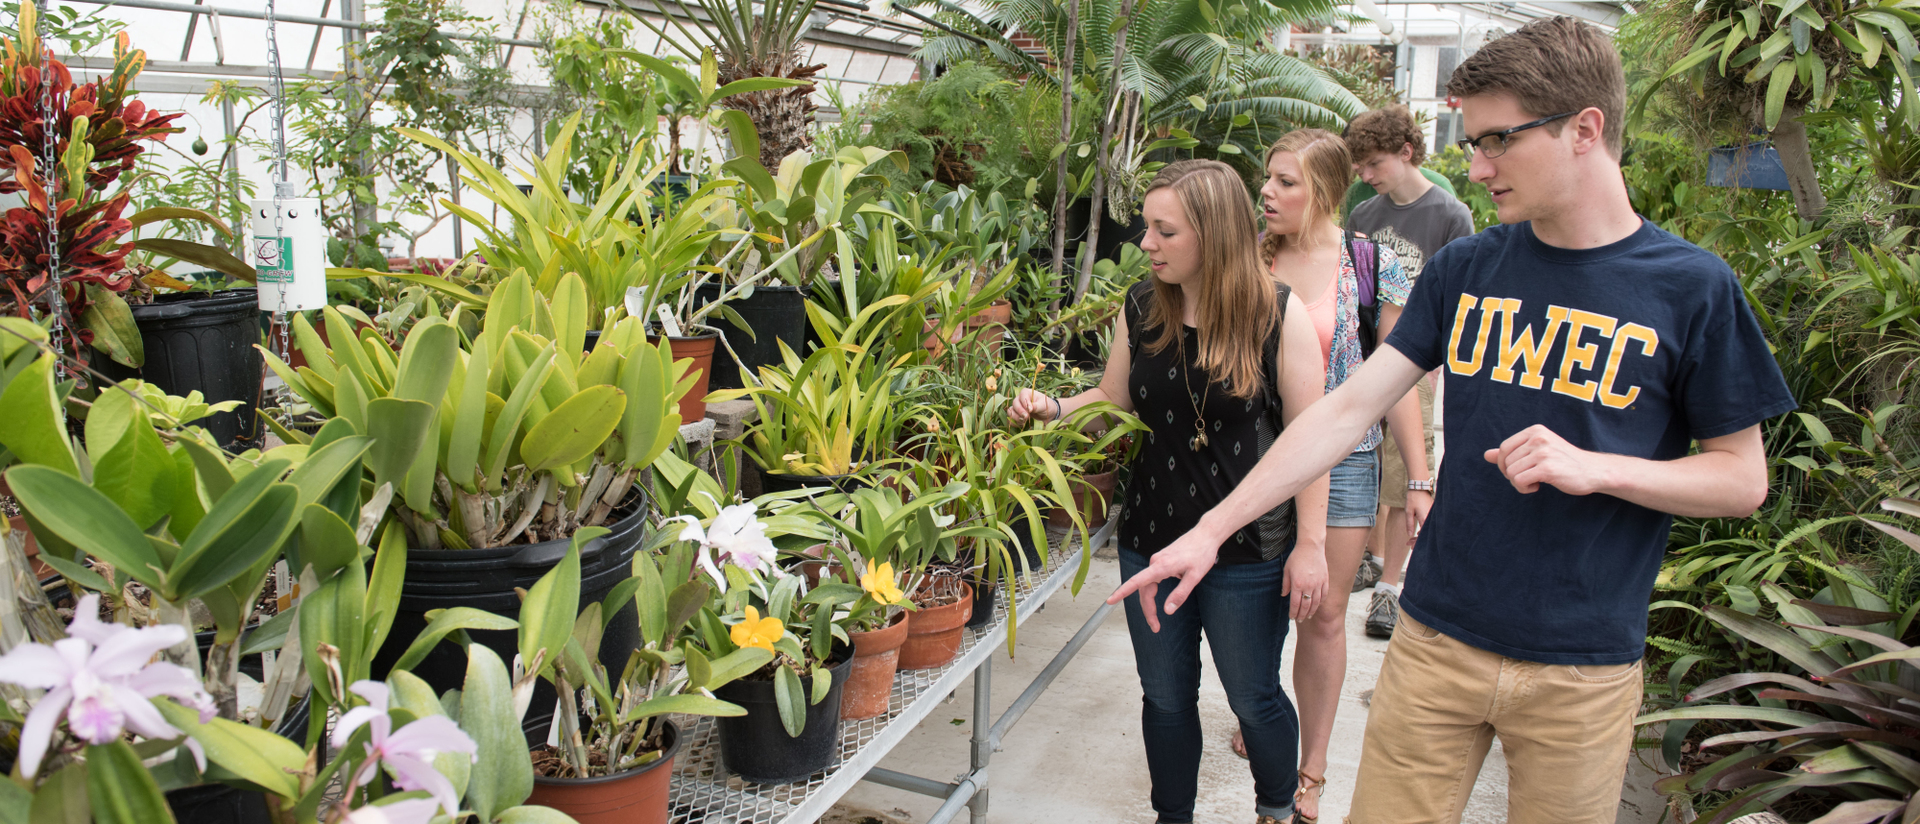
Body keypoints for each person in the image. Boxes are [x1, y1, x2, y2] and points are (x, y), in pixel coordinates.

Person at [1110, 17, 1795, 824]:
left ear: (1585, 129)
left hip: (1581, 664)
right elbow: (1347, 409)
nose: (1475, 166)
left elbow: (1742, 477)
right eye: (1472, 141)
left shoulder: (1692, 287)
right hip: (1436, 640)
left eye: (1497, 140)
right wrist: (1210, 528)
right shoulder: (1470, 268)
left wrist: (1599, 467)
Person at [1009, 160, 1331, 824]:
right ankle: (1171, 817)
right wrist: (1052, 408)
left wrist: (1312, 545)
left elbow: (1313, 441)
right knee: (1164, 696)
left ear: (1212, 234)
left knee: (1253, 696)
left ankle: (1277, 809)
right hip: (1152, 539)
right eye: (1148, 228)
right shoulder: (1142, 306)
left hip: (1247, 552)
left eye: (1165, 230)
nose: (1146, 243)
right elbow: (1112, 397)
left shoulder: (1277, 315)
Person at [1229, 128, 1430, 824]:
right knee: (1250, 604)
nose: (1269, 192)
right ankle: (1264, 717)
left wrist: (1421, 477)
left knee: (1320, 614)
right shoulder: (1247, 258)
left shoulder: (1372, 265)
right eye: (1268, 179)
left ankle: (1309, 771)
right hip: (1252, 461)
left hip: (1345, 462)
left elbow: (1397, 380)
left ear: (1326, 190)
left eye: (1287, 181)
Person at [1342, 105, 1476, 638]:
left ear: (1406, 152)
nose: (1367, 176)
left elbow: (1457, 298)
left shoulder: (1450, 214)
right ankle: (1371, 561)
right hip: (1366, 355)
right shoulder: (1364, 216)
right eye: (1361, 168)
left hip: (1417, 361)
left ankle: (1390, 588)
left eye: (1375, 164)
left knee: (1404, 473)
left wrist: (1439, 368)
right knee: (1368, 464)